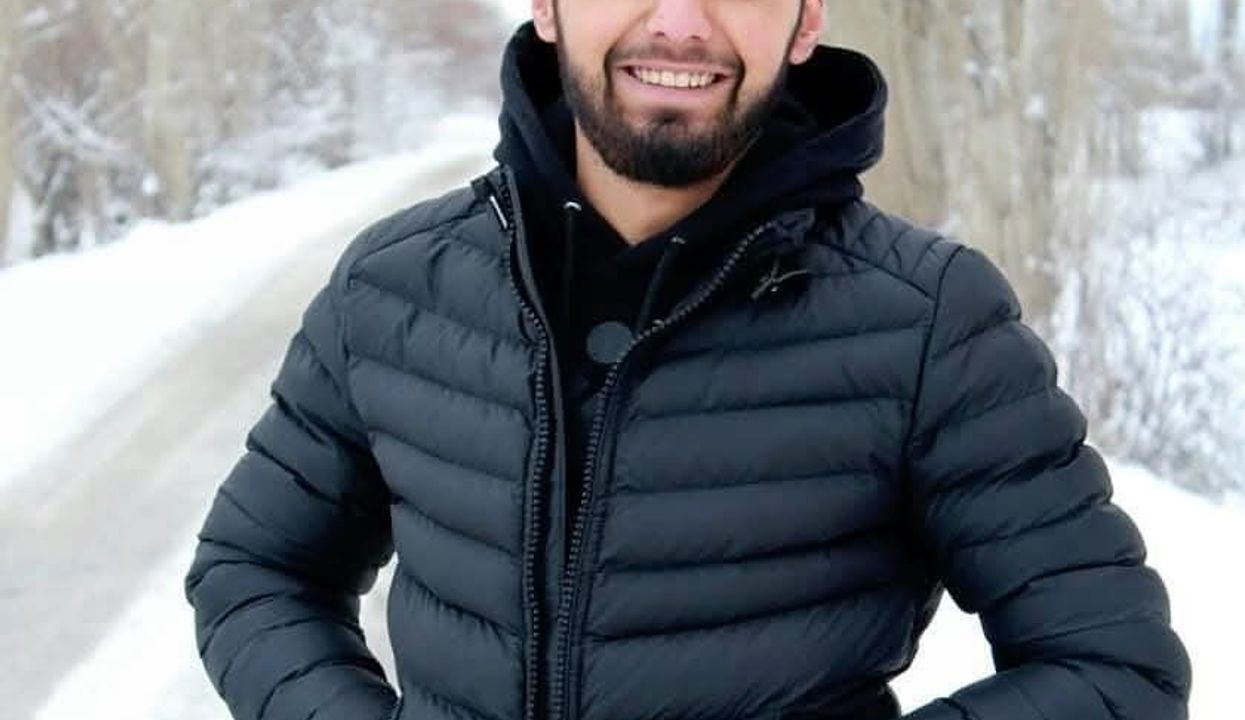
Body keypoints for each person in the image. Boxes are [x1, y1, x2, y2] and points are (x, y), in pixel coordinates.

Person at [183, 2, 1192, 719]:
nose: (678, 22)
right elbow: (254, 570)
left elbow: (1112, 664)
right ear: (547, 6)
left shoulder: (927, 322)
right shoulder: (395, 285)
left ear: (805, 20)